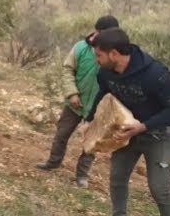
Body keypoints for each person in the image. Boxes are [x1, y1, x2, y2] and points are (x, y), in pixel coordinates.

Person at [85, 27, 170, 216]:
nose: (97, 60)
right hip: (126, 133)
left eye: (99, 55)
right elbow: (104, 92)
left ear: (114, 54)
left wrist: (143, 126)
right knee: (117, 177)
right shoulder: (105, 73)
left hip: (160, 134)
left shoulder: (154, 73)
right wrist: (90, 119)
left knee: (158, 187)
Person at [35, 15, 119, 186]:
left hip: (99, 108)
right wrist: (72, 94)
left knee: (91, 142)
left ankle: (82, 175)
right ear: (97, 31)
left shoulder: (116, 53)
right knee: (62, 134)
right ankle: (53, 161)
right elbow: (67, 70)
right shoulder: (81, 47)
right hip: (74, 103)